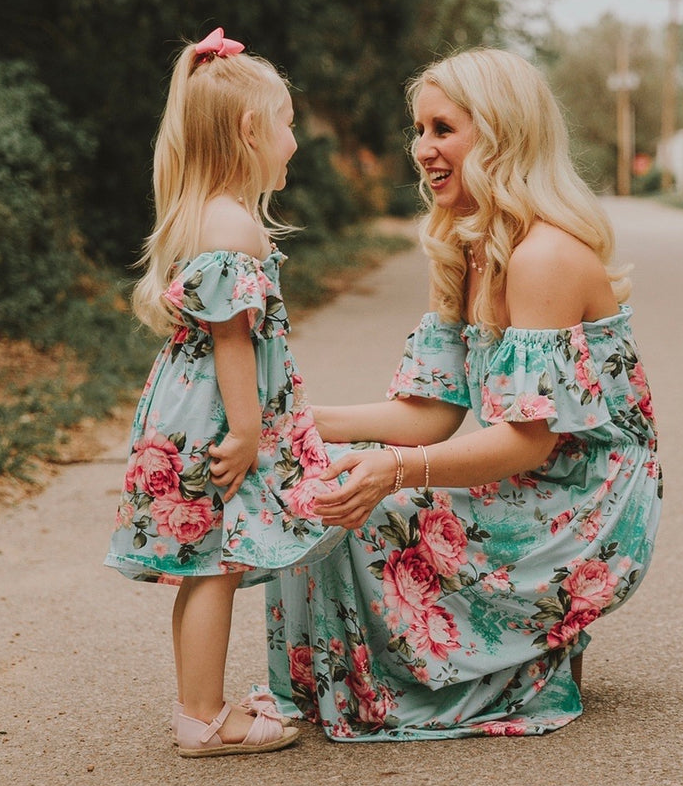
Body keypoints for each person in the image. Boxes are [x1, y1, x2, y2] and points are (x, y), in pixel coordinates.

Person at [261, 47, 662, 741]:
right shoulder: (467, 244)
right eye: (419, 131)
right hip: (530, 469)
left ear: (501, 132)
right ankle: (349, 682)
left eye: (442, 129)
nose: (422, 149)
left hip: (584, 499)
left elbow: (529, 438)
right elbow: (431, 412)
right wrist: (299, 424)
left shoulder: (543, 256)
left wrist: (392, 471)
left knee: (368, 506)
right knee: (320, 481)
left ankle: (504, 664)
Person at [105, 28, 342, 757]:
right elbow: (234, 341)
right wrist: (246, 432)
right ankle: (204, 719)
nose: (294, 143)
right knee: (214, 564)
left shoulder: (203, 212)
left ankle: (197, 704)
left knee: (202, 562)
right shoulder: (233, 226)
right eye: (288, 125)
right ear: (250, 130)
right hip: (217, 413)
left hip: (189, 405)